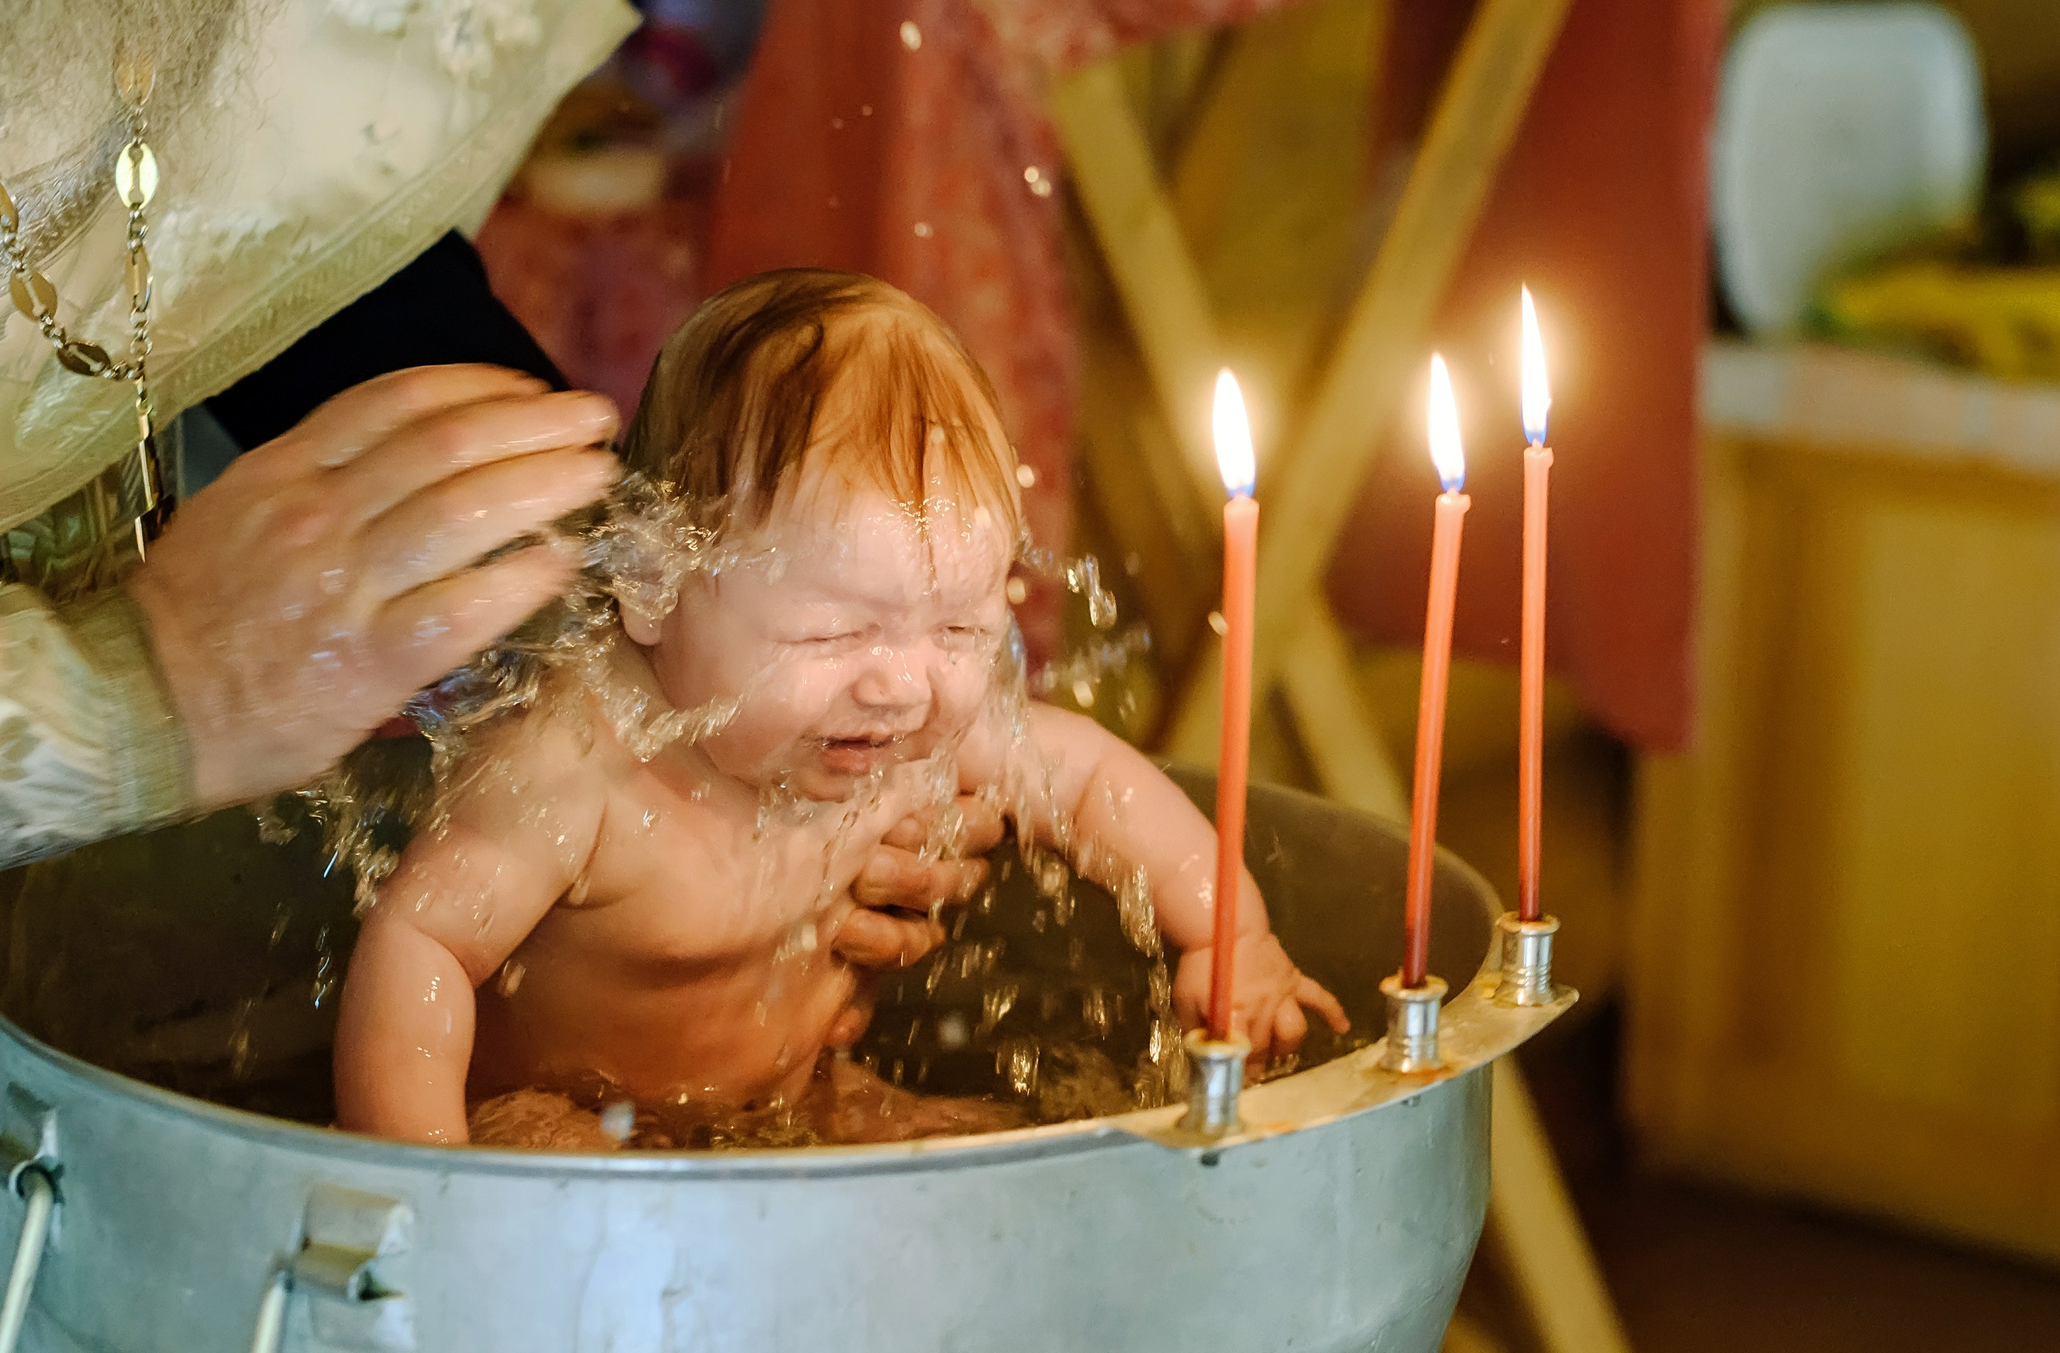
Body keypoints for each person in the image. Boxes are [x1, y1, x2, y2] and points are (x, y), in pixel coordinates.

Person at [0, 8, 991, 1353]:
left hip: (108, 889)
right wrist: (124, 693)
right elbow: (424, 953)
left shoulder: (642, 717)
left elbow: (158, 186)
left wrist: (690, 636)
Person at [335, 271, 1347, 1149]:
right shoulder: (576, 759)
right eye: (832, 636)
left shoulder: (902, 734)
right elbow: (422, 943)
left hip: (797, 1099)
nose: (902, 686)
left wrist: (1231, 940)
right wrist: (422, 1171)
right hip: (555, 1113)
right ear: (652, 581)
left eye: (959, 629)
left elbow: (1090, 778)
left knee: (992, 1153)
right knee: (556, 1179)